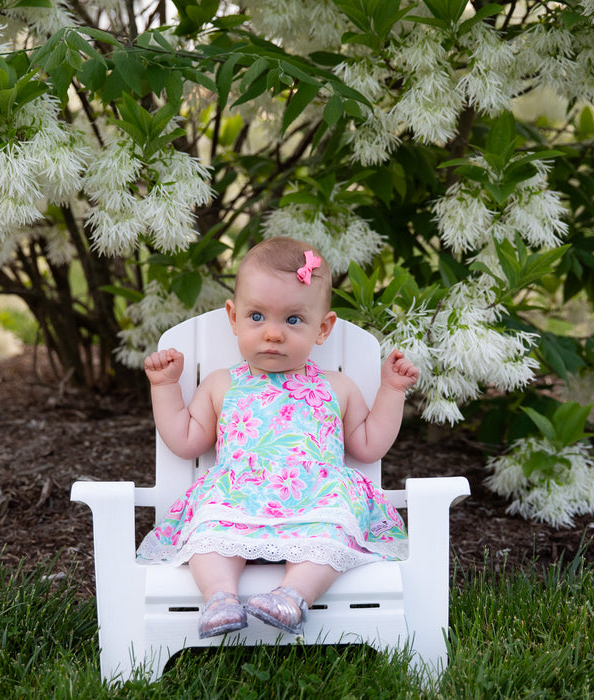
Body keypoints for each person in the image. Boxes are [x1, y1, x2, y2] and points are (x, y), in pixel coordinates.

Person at [136, 236, 420, 639]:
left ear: (323, 328)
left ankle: (292, 595)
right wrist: (164, 385)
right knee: (209, 532)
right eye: (256, 317)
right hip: (238, 499)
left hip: (315, 501)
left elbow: (369, 446)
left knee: (332, 532)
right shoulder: (221, 385)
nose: (272, 334)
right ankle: (219, 596)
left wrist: (391, 391)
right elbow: (184, 441)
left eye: (292, 320)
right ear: (232, 318)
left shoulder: (338, 387)